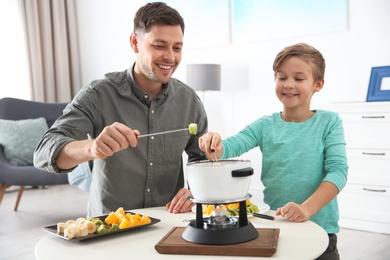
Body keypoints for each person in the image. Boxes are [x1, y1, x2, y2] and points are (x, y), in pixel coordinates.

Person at [34, 2, 208, 217]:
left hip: (168, 222)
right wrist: (92, 148)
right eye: (160, 46)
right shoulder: (98, 94)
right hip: (110, 226)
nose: (170, 57)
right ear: (135, 43)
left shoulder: (189, 100)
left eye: (177, 47)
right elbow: (43, 152)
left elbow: (203, 159)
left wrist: (195, 192)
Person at [199, 43, 347, 259]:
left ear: (318, 84)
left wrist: (306, 208)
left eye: (298, 78)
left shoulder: (329, 122)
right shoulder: (264, 125)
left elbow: (338, 172)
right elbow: (227, 148)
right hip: (277, 225)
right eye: (281, 77)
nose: (288, 85)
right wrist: (213, 143)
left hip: (320, 230)